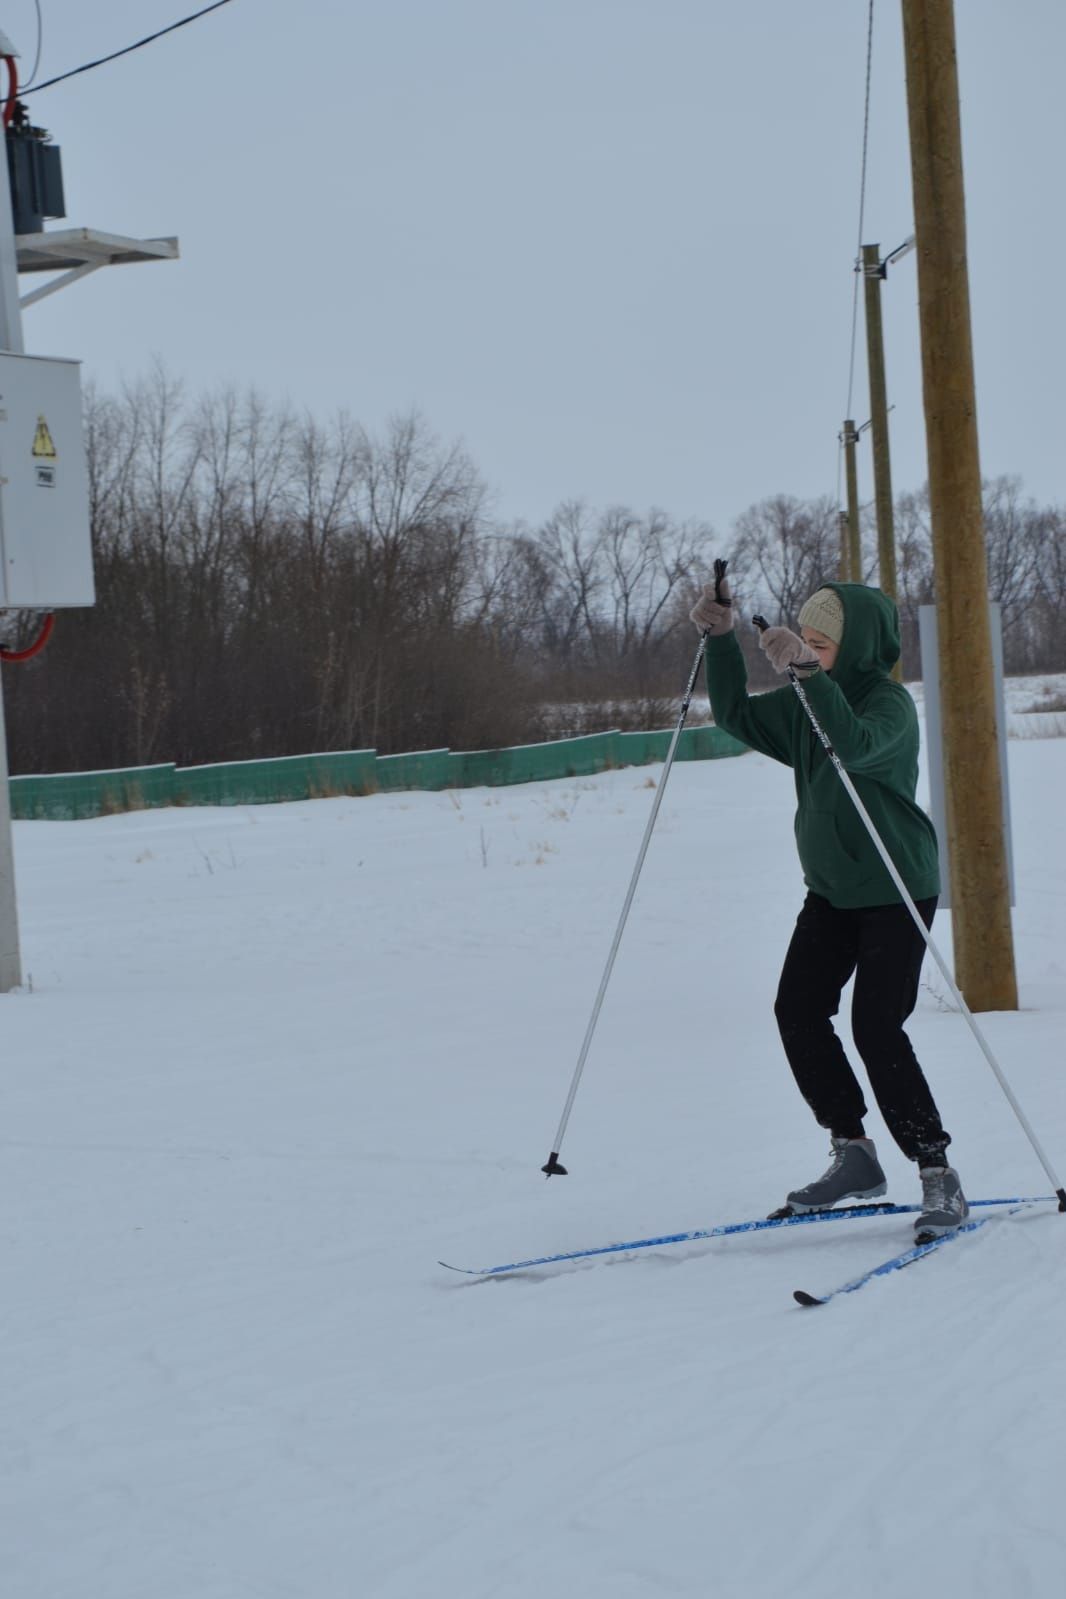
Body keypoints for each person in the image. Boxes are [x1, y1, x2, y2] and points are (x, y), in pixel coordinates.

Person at [689, 573, 969, 1241]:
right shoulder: (805, 700)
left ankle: (938, 1172)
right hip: (833, 892)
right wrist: (724, 641)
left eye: (822, 642)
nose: (808, 649)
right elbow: (736, 716)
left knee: (877, 1027)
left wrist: (808, 677)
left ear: (859, 643)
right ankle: (854, 1152)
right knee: (797, 1009)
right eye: (804, 638)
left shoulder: (888, 706)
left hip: (897, 887)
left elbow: (856, 747)